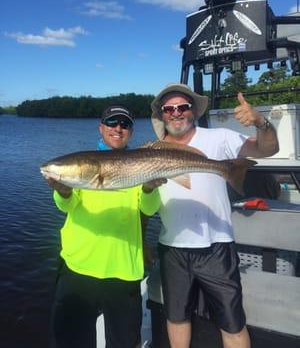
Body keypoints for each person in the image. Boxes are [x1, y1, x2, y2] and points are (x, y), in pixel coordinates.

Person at [150, 84, 279, 348]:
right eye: (169, 109)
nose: (176, 113)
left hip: (216, 247)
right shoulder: (151, 151)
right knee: (176, 318)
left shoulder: (219, 137)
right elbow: (142, 202)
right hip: (172, 248)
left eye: (183, 107)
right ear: (162, 115)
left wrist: (261, 123)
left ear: (193, 111)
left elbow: (267, 150)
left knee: (232, 322)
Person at [46, 105, 164, 348]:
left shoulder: (141, 163)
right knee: (71, 341)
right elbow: (66, 206)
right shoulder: (83, 163)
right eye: (111, 123)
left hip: (123, 268)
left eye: (124, 124)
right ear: (101, 128)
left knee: (123, 342)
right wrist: (64, 192)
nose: (117, 129)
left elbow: (149, 209)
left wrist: (150, 187)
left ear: (131, 131)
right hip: (78, 266)